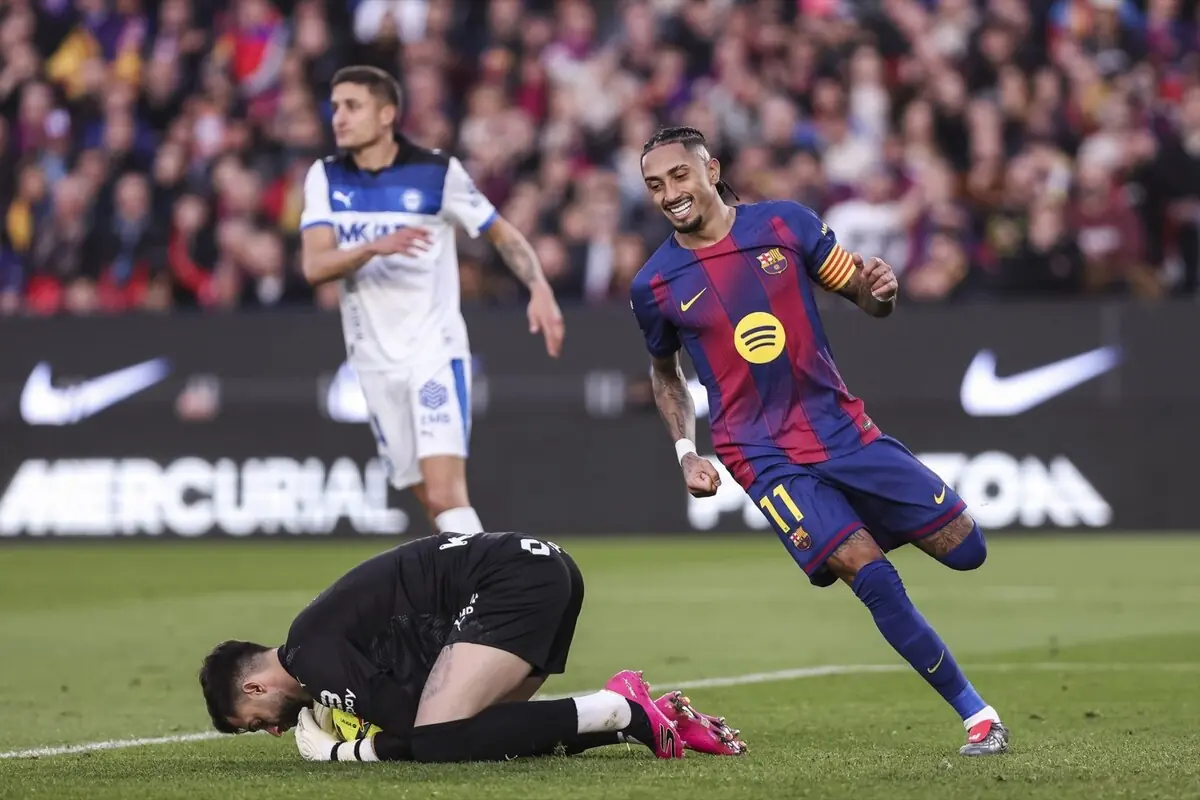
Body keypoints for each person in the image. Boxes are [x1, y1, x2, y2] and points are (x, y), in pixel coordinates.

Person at [628, 126, 1008, 757]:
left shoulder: (786, 225)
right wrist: (685, 451)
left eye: (678, 176)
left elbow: (864, 294)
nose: (669, 193)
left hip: (843, 429)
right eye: (654, 185)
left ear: (711, 169)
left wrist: (879, 291)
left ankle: (857, 521)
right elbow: (664, 372)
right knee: (873, 578)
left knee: (968, 551)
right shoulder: (656, 283)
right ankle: (978, 717)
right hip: (760, 454)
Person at [198, 531, 747, 763]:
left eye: (255, 720)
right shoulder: (315, 643)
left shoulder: (309, 657)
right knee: (480, 732)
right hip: (542, 568)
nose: (272, 730)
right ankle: (640, 712)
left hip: (513, 581)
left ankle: (622, 712)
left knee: (439, 738)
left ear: (254, 685)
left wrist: (347, 752)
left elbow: (412, 729)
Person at [299, 65, 566, 536]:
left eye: (352, 106)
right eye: (335, 106)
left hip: (433, 350)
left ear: (386, 114)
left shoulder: (437, 172)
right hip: (373, 360)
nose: (338, 117)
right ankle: (465, 592)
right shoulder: (325, 177)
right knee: (427, 497)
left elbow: (500, 233)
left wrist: (539, 286)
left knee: (446, 494)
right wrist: (371, 247)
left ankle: (490, 595)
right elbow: (314, 266)